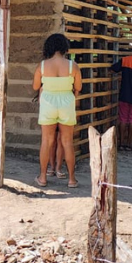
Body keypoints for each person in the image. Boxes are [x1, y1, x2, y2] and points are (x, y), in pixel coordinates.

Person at [33, 33, 82, 188]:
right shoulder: (72, 66)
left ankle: (42, 178)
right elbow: (79, 87)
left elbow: (35, 86)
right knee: (67, 142)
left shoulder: (42, 65)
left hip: (48, 103)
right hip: (66, 103)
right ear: (64, 47)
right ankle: (72, 179)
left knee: (46, 141)